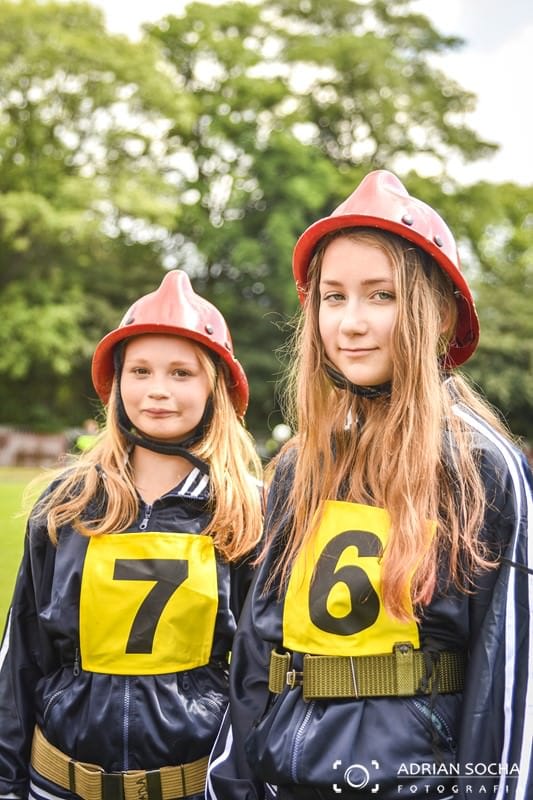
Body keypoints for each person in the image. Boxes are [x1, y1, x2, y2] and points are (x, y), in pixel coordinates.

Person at [207, 171, 532, 800]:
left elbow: (509, 691)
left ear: (438, 312)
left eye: (380, 295)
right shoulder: (303, 461)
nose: (350, 323)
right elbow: (257, 654)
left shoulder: (484, 465)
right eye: (334, 297)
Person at [0, 270, 263, 800]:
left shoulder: (249, 512)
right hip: (57, 786)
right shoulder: (65, 506)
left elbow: (262, 679)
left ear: (217, 387)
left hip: (192, 789)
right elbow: (21, 660)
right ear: (116, 384)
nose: (158, 390)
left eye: (181, 373)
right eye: (140, 370)